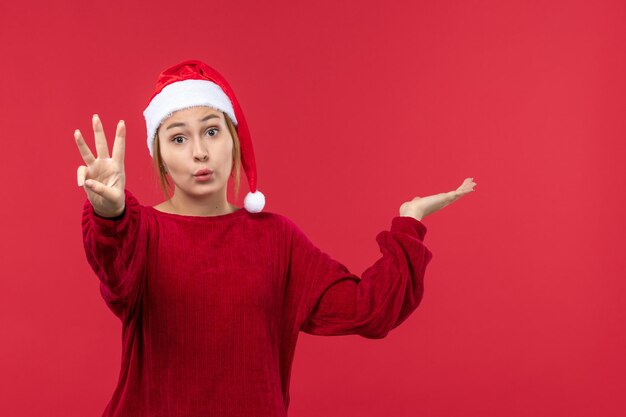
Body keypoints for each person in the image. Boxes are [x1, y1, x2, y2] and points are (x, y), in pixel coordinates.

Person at [75, 60, 476, 417]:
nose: (199, 152)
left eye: (212, 131)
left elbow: (367, 310)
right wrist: (110, 214)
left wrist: (410, 221)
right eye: (178, 138)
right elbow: (116, 270)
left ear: (233, 139)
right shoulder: (140, 231)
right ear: (159, 155)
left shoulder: (275, 239)